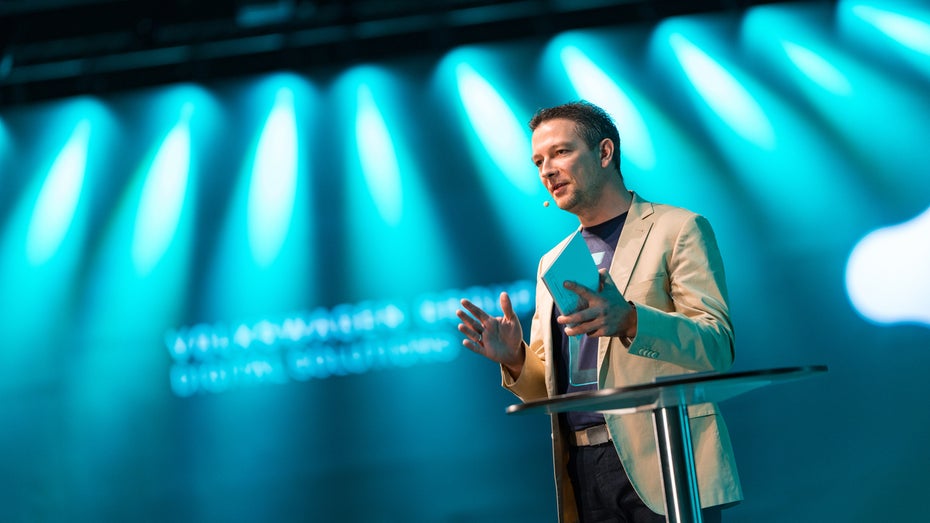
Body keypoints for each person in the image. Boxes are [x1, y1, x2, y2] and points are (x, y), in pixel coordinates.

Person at [456, 101, 742, 522]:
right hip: (583, 467)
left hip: (667, 455)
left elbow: (716, 347)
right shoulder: (553, 262)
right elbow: (549, 392)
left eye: (560, 152)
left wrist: (630, 321)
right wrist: (515, 358)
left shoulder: (677, 229)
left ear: (605, 152)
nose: (547, 170)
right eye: (538, 161)